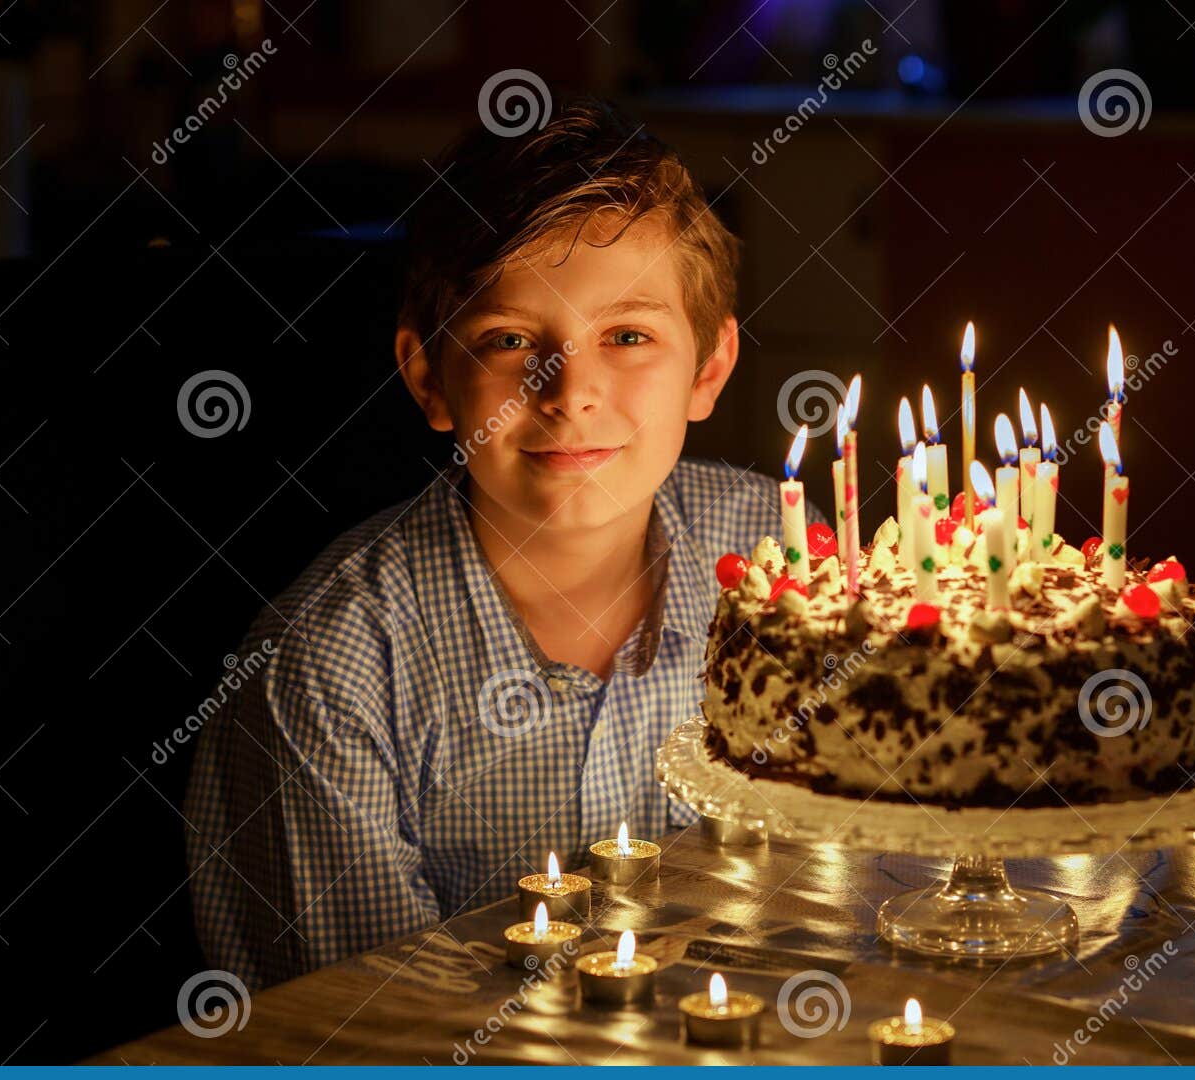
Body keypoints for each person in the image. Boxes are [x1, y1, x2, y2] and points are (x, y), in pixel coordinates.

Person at [184, 96, 825, 990]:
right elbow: (375, 1037)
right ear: (430, 377)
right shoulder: (329, 668)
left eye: (628, 335)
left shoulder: (787, 560)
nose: (570, 392)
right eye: (511, 340)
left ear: (709, 368)